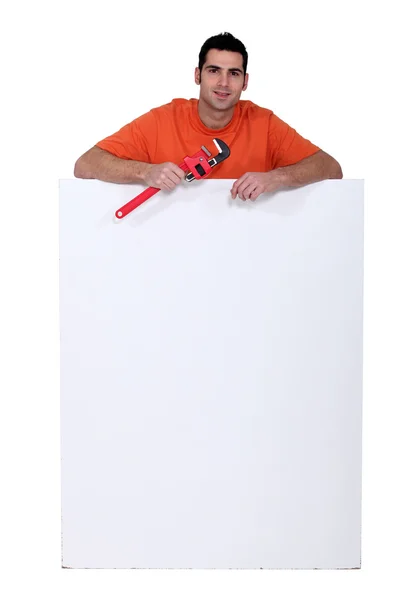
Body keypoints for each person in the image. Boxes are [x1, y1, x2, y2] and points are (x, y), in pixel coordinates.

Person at [74, 32, 342, 201]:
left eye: (234, 73)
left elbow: (331, 168)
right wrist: (145, 172)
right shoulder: (161, 121)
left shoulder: (264, 124)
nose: (224, 83)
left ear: (245, 81)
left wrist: (276, 177)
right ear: (197, 75)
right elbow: (86, 164)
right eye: (214, 71)